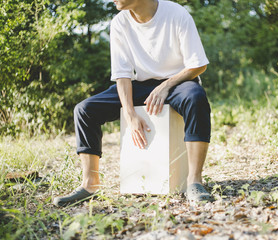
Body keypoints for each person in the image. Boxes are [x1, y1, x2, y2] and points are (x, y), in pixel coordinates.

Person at [53, 0, 212, 207]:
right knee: (85, 110)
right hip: (141, 85)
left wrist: (165, 86)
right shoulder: (119, 23)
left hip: (180, 81)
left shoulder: (176, 14)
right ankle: (90, 185)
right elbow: (122, 75)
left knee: (195, 98)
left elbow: (198, 64)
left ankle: (194, 182)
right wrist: (129, 114)